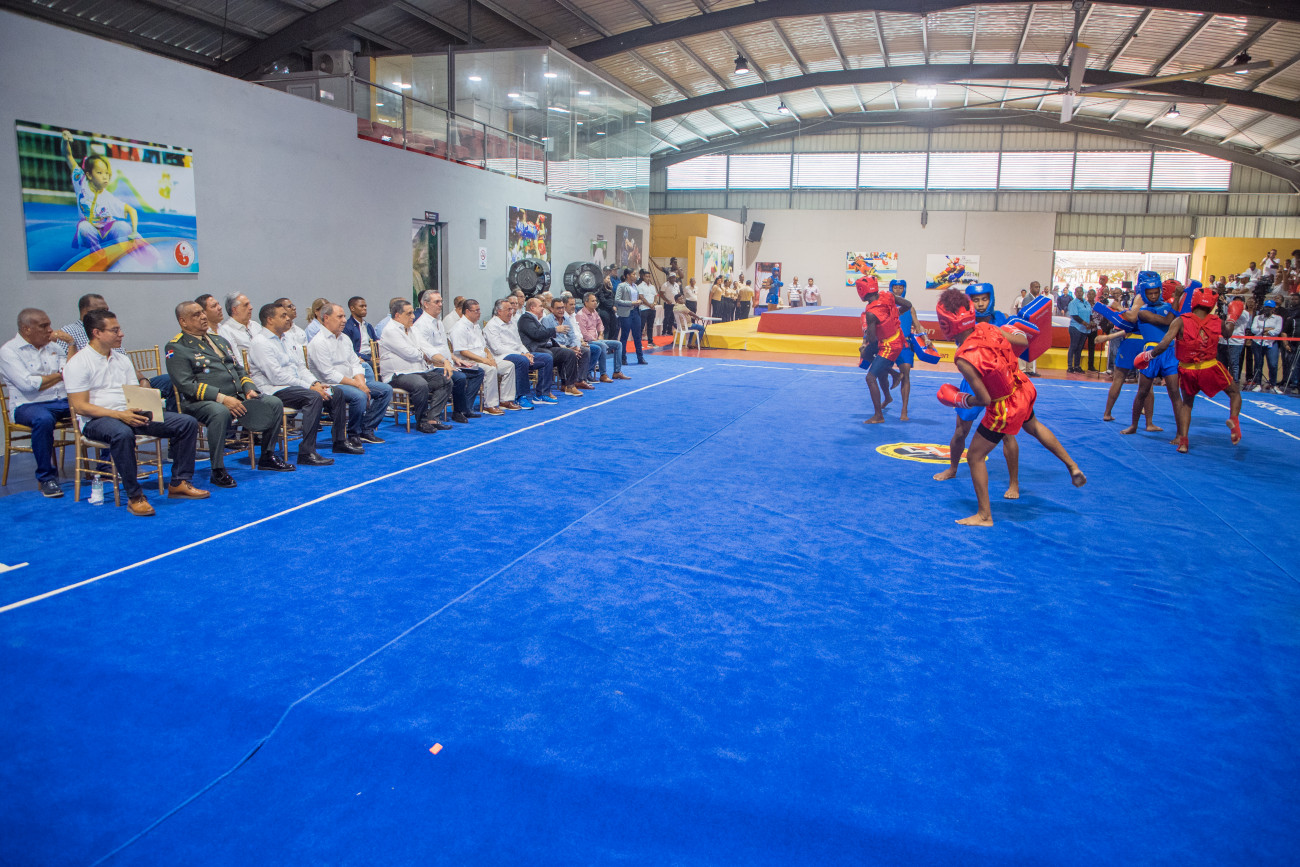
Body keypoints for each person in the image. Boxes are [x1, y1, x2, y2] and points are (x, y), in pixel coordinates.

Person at [933, 289, 1086, 526]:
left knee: (975, 456)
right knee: (1034, 426)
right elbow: (1023, 341)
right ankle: (1072, 466)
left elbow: (984, 399)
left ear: (946, 324)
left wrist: (959, 399)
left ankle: (984, 515)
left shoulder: (964, 357)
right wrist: (1012, 334)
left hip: (1004, 405)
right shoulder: (989, 327)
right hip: (1022, 388)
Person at [65, 309, 208, 515]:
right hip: (97, 420)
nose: (121, 334)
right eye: (115, 330)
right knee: (122, 433)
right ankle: (135, 496)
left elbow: (133, 393)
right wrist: (119, 415)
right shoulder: (78, 363)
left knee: (186, 423)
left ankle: (180, 482)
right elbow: (80, 406)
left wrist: (146, 406)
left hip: (128, 413)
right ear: (97, 333)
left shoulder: (122, 359)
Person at [166, 301, 290, 488]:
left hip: (237, 395)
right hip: (201, 402)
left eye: (202, 312)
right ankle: (217, 469)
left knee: (273, 403)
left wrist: (249, 389)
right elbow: (186, 384)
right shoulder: (177, 347)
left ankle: (267, 456)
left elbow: (238, 369)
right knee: (220, 412)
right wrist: (222, 398)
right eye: (196, 315)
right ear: (183, 322)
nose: (203, 317)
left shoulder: (219, 340)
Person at [931, 285, 1021, 501]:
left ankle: (1014, 483)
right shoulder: (962, 322)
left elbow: (1016, 345)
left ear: (991, 299)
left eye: (984, 299)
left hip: (999, 382)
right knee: (961, 430)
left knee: (1007, 434)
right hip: (973, 382)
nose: (981, 304)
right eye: (976, 300)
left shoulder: (1002, 320)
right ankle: (953, 468)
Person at [1135, 285, 1241, 453]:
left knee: (1187, 404)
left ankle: (1183, 442)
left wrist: (1148, 356)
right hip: (1210, 367)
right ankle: (1234, 420)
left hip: (1187, 369)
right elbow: (1228, 333)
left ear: (1194, 301)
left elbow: (1163, 344)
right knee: (1234, 393)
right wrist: (1232, 318)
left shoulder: (1180, 320)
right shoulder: (1216, 321)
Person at [248, 302, 347, 463]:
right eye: (283, 316)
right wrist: (310, 387)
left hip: (297, 386)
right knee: (313, 397)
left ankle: (340, 442)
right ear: (270, 320)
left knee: (336, 393)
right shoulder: (261, 342)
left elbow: (300, 367)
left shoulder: (287, 338)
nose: (288, 318)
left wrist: (315, 383)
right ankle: (307, 452)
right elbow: (276, 376)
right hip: (274, 390)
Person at [0, 309, 74, 496]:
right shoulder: (9, 351)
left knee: (94, 407)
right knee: (43, 420)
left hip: (61, 400)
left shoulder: (55, 347)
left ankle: (106, 467)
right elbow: (28, 385)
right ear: (27, 329)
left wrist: (71, 344)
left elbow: (72, 373)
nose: (50, 330)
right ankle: (47, 478)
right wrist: (61, 375)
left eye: (49, 325)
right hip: (28, 406)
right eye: (44, 326)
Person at [307, 303, 393, 447]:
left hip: (351, 382)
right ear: (326, 318)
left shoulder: (344, 338)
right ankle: (353, 434)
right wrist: (358, 385)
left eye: (344, 316)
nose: (344, 320)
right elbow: (328, 374)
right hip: (329, 386)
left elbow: (355, 363)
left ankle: (366, 429)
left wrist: (361, 383)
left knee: (386, 390)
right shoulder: (318, 342)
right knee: (358, 396)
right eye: (340, 317)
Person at [1120, 273, 1183, 437]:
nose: (1153, 296)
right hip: (1151, 353)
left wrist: (1183, 296)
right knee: (1142, 392)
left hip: (1169, 352)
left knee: (1175, 393)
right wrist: (1177, 298)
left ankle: (1180, 434)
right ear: (1144, 294)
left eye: (1156, 292)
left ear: (1160, 291)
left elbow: (1180, 319)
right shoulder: (1143, 312)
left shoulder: (1169, 306)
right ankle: (1133, 426)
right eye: (1150, 293)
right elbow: (1167, 321)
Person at [377, 300, 455, 431]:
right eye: (409, 313)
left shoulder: (412, 329)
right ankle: (421, 422)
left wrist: (444, 360)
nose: (413, 316)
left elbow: (427, 347)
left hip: (418, 371)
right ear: (397, 315)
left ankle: (432, 418)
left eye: (413, 313)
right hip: (397, 374)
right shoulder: (390, 330)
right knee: (420, 384)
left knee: (445, 381)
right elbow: (409, 353)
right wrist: (425, 355)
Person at [60, 129, 140, 253]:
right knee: (84, 227)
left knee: (123, 226)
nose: (105, 177)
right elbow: (68, 156)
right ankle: (98, 256)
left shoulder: (108, 196)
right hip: (91, 231)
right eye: (100, 172)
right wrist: (65, 141)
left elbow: (132, 210)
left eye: (106, 173)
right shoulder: (81, 181)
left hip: (107, 232)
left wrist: (134, 231)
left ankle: (123, 254)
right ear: (89, 174)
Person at [413, 290, 484, 423]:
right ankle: (458, 411)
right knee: (459, 377)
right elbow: (426, 353)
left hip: (448, 363)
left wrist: (457, 360)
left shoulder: (438, 322)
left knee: (478, 371)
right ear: (426, 304)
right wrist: (445, 363)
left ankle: (466, 407)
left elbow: (444, 348)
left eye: (441, 301)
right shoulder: (421, 325)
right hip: (434, 367)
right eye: (437, 302)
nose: (440, 304)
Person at [1097, 295, 1159, 430]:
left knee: (1119, 378)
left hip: (1133, 341)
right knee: (1147, 383)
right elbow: (1133, 322)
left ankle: (1107, 413)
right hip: (1145, 342)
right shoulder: (1154, 300)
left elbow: (1132, 318)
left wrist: (1119, 307)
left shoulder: (1141, 297)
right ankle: (1149, 423)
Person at [450, 298, 522, 412]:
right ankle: (490, 405)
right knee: (490, 369)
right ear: (467, 311)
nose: (479, 313)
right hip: (467, 362)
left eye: (479, 310)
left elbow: (484, 347)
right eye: (476, 311)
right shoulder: (459, 327)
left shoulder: (476, 325)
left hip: (482, 358)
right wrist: (484, 361)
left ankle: (506, 400)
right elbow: (463, 352)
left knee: (509, 366)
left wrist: (490, 358)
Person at [858, 276, 912, 424]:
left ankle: (878, 416)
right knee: (869, 356)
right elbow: (908, 304)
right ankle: (894, 374)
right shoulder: (887, 295)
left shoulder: (871, 313)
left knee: (870, 377)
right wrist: (895, 315)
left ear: (862, 291)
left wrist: (866, 332)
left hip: (889, 345)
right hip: (897, 337)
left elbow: (872, 338)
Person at [483, 297, 553, 405]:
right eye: (508, 310)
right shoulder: (492, 326)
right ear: (499, 311)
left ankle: (542, 394)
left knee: (547, 358)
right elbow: (497, 349)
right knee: (522, 360)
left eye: (511, 309)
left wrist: (526, 353)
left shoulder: (512, 323)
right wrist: (522, 354)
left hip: (519, 354)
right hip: (502, 356)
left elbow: (519, 343)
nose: (511, 312)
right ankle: (521, 396)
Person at [519, 297, 582, 397]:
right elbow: (536, 334)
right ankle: (544, 392)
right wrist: (555, 329)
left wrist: (563, 347)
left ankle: (570, 385)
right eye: (540, 306)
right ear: (532, 308)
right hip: (534, 349)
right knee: (548, 356)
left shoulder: (535, 319)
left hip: (545, 347)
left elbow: (546, 336)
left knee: (568, 353)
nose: (543, 308)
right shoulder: (525, 318)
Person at [884, 279, 922, 422]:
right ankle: (887, 397)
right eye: (895, 288)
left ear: (904, 289)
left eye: (901, 288)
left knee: (905, 374)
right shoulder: (886, 306)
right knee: (880, 371)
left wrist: (925, 338)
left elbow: (918, 325)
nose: (898, 290)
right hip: (889, 343)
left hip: (905, 344)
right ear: (891, 288)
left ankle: (904, 410)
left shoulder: (910, 307)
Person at [543, 297, 595, 390]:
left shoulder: (566, 319)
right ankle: (565, 383)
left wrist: (576, 347)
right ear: (552, 309)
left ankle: (579, 380)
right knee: (567, 353)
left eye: (562, 308)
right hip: (556, 346)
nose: (561, 310)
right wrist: (567, 348)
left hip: (567, 345)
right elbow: (549, 339)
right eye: (558, 308)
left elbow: (573, 336)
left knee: (585, 351)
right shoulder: (547, 320)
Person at [575, 294, 627, 382]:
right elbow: (584, 333)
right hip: (587, 341)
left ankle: (617, 372)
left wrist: (601, 333)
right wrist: (595, 339)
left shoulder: (594, 312)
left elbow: (600, 324)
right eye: (593, 301)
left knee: (618, 344)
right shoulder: (580, 315)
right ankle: (603, 374)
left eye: (596, 301)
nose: (595, 303)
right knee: (602, 345)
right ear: (586, 302)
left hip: (597, 339)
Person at [1248, 298, 1284, 392]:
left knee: (1273, 364)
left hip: (1271, 343)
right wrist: (1266, 329)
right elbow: (1253, 330)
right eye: (1266, 307)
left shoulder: (1278, 318)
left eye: (1270, 308)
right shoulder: (1258, 317)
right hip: (1258, 343)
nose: (1267, 309)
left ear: (1273, 309)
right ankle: (1258, 384)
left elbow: (1277, 331)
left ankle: (1273, 384)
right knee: (1258, 364)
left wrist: (1265, 331)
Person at [342, 296, 380, 383]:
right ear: (352, 308)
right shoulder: (348, 327)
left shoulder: (368, 326)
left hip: (372, 356)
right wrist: (368, 358)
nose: (365, 308)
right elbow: (349, 349)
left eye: (365, 306)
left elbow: (376, 343)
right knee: (372, 365)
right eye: (361, 306)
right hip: (360, 358)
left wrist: (377, 356)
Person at [615, 272, 645, 365]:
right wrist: (631, 303)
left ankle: (640, 357)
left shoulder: (635, 286)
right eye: (633, 274)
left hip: (635, 312)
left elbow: (638, 298)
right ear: (628, 275)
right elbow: (617, 300)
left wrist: (639, 301)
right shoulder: (622, 286)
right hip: (626, 313)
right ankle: (623, 358)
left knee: (637, 336)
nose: (635, 276)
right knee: (624, 336)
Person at [1066, 286, 1090, 374]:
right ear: (1075, 293)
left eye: (1081, 291)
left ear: (1083, 293)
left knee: (1080, 348)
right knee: (1073, 346)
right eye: (1078, 292)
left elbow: (1090, 314)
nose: (1079, 293)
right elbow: (1075, 316)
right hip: (1075, 327)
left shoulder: (1086, 303)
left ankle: (1077, 366)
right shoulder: (1073, 303)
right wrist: (1085, 323)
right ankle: (1070, 366)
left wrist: (1090, 323)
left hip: (1085, 329)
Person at [636, 271, 658, 346]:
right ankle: (639, 343)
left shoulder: (652, 286)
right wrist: (649, 305)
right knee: (641, 326)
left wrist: (654, 303)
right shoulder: (640, 286)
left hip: (652, 308)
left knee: (650, 326)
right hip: (644, 308)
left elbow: (655, 296)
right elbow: (641, 297)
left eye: (649, 276)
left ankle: (650, 341)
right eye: (646, 276)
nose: (648, 278)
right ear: (643, 277)